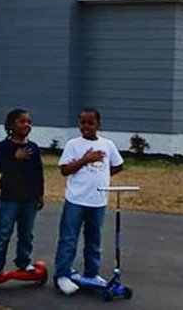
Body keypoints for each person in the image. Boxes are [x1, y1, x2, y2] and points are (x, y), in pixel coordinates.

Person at [54, 108, 124, 295]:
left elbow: (118, 165)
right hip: (76, 200)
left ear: (98, 125)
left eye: (90, 123)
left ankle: (91, 273)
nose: (86, 126)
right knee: (69, 238)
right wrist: (86, 159)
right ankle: (62, 274)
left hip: (98, 201)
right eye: (82, 123)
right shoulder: (73, 144)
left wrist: (103, 176)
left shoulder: (107, 144)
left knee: (94, 239)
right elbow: (65, 170)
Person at [0, 108, 44, 275]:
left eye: (29, 122)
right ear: (12, 125)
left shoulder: (33, 147)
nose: (26, 124)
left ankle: (24, 262)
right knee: (4, 232)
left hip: (30, 198)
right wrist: (14, 158)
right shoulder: (5, 146)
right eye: (22, 121)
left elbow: (38, 172)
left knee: (26, 234)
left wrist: (40, 194)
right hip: (10, 198)